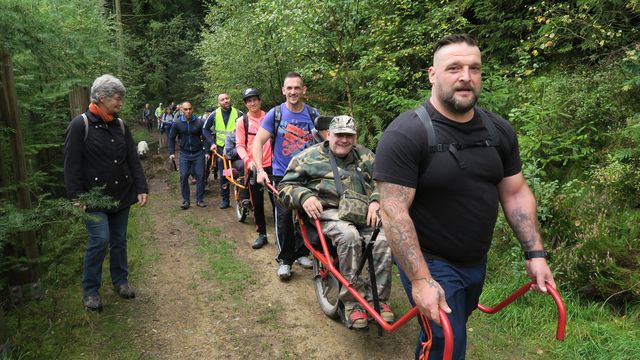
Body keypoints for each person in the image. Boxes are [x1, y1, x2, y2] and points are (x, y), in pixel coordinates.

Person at [374, 34, 556, 359]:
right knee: (448, 340)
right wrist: (420, 280)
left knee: (444, 332)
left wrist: (535, 253)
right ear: (432, 74)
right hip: (430, 259)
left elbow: (514, 194)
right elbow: (393, 213)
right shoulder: (405, 134)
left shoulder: (498, 131)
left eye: (474, 69)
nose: (465, 77)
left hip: (475, 261)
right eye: (454, 68)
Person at [278, 115, 395, 329]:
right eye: (339, 135)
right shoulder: (307, 157)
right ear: (328, 135)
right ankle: (352, 304)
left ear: (355, 137)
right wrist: (305, 196)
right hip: (329, 213)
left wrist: (377, 201)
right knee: (349, 237)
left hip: (362, 211)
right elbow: (285, 187)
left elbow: (383, 181)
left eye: (349, 136)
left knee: (383, 241)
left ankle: (378, 299)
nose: (344, 140)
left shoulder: (366, 156)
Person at [64, 74, 149, 311]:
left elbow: (132, 158)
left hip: (121, 194)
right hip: (93, 199)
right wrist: (76, 196)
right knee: (100, 240)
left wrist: (141, 187)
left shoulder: (120, 125)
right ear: (102, 98)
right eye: (117, 98)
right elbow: (71, 165)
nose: (120, 102)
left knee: (119, 240)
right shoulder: (80, 124)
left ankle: (120, 281)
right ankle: (91, 290)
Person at [252, 72, 318, 280]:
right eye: (289, 88)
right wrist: (261, 170)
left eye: (297, 88)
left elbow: (325, 143)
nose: (293, 92)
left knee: (307, 216)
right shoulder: (275, 114)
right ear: (283, 90)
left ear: (304, 90)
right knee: (284, 218)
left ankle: (302, 253)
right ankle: (285, 260)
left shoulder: (313, 114)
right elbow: (257, 143)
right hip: (283, 176)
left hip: (309, 176)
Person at [235, 88, 274, 249]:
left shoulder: (270, 118)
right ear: (245, 104)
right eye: (249, 101)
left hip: (273, 166)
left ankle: (283, 234)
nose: (252, 103)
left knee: (278, 202)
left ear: (260, 101)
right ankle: (262, 234)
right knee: (257, 203)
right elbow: (239, 145)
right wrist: (247, 160)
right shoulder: (242, 121)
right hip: (253, 167)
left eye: (255, 99)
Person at [204, 93, 244, 209]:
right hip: (221, 150)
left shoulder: (239, 113)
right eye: (222, 100)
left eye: (227, 98)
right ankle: (225, 199)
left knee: (242, 171)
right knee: (224, 175)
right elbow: (205, 129)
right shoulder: (214, 114)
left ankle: (244, 197)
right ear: (219, 103)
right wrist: (212, 143)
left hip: (238, 148)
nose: (225, 101)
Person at [168, 101, 207, 209]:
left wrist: (207, 151)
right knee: (183, 176)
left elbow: (205, 136)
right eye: (185, 109)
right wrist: (171, 152)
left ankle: (200, 200)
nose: (188, 111)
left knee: (200, 176)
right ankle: (186, 201)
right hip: (184, 154)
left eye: (190, 109)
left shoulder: (199, 122)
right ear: (181, 110)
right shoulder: (177, 123)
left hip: (198, 153)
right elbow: (171, 138)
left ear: (192, 109)